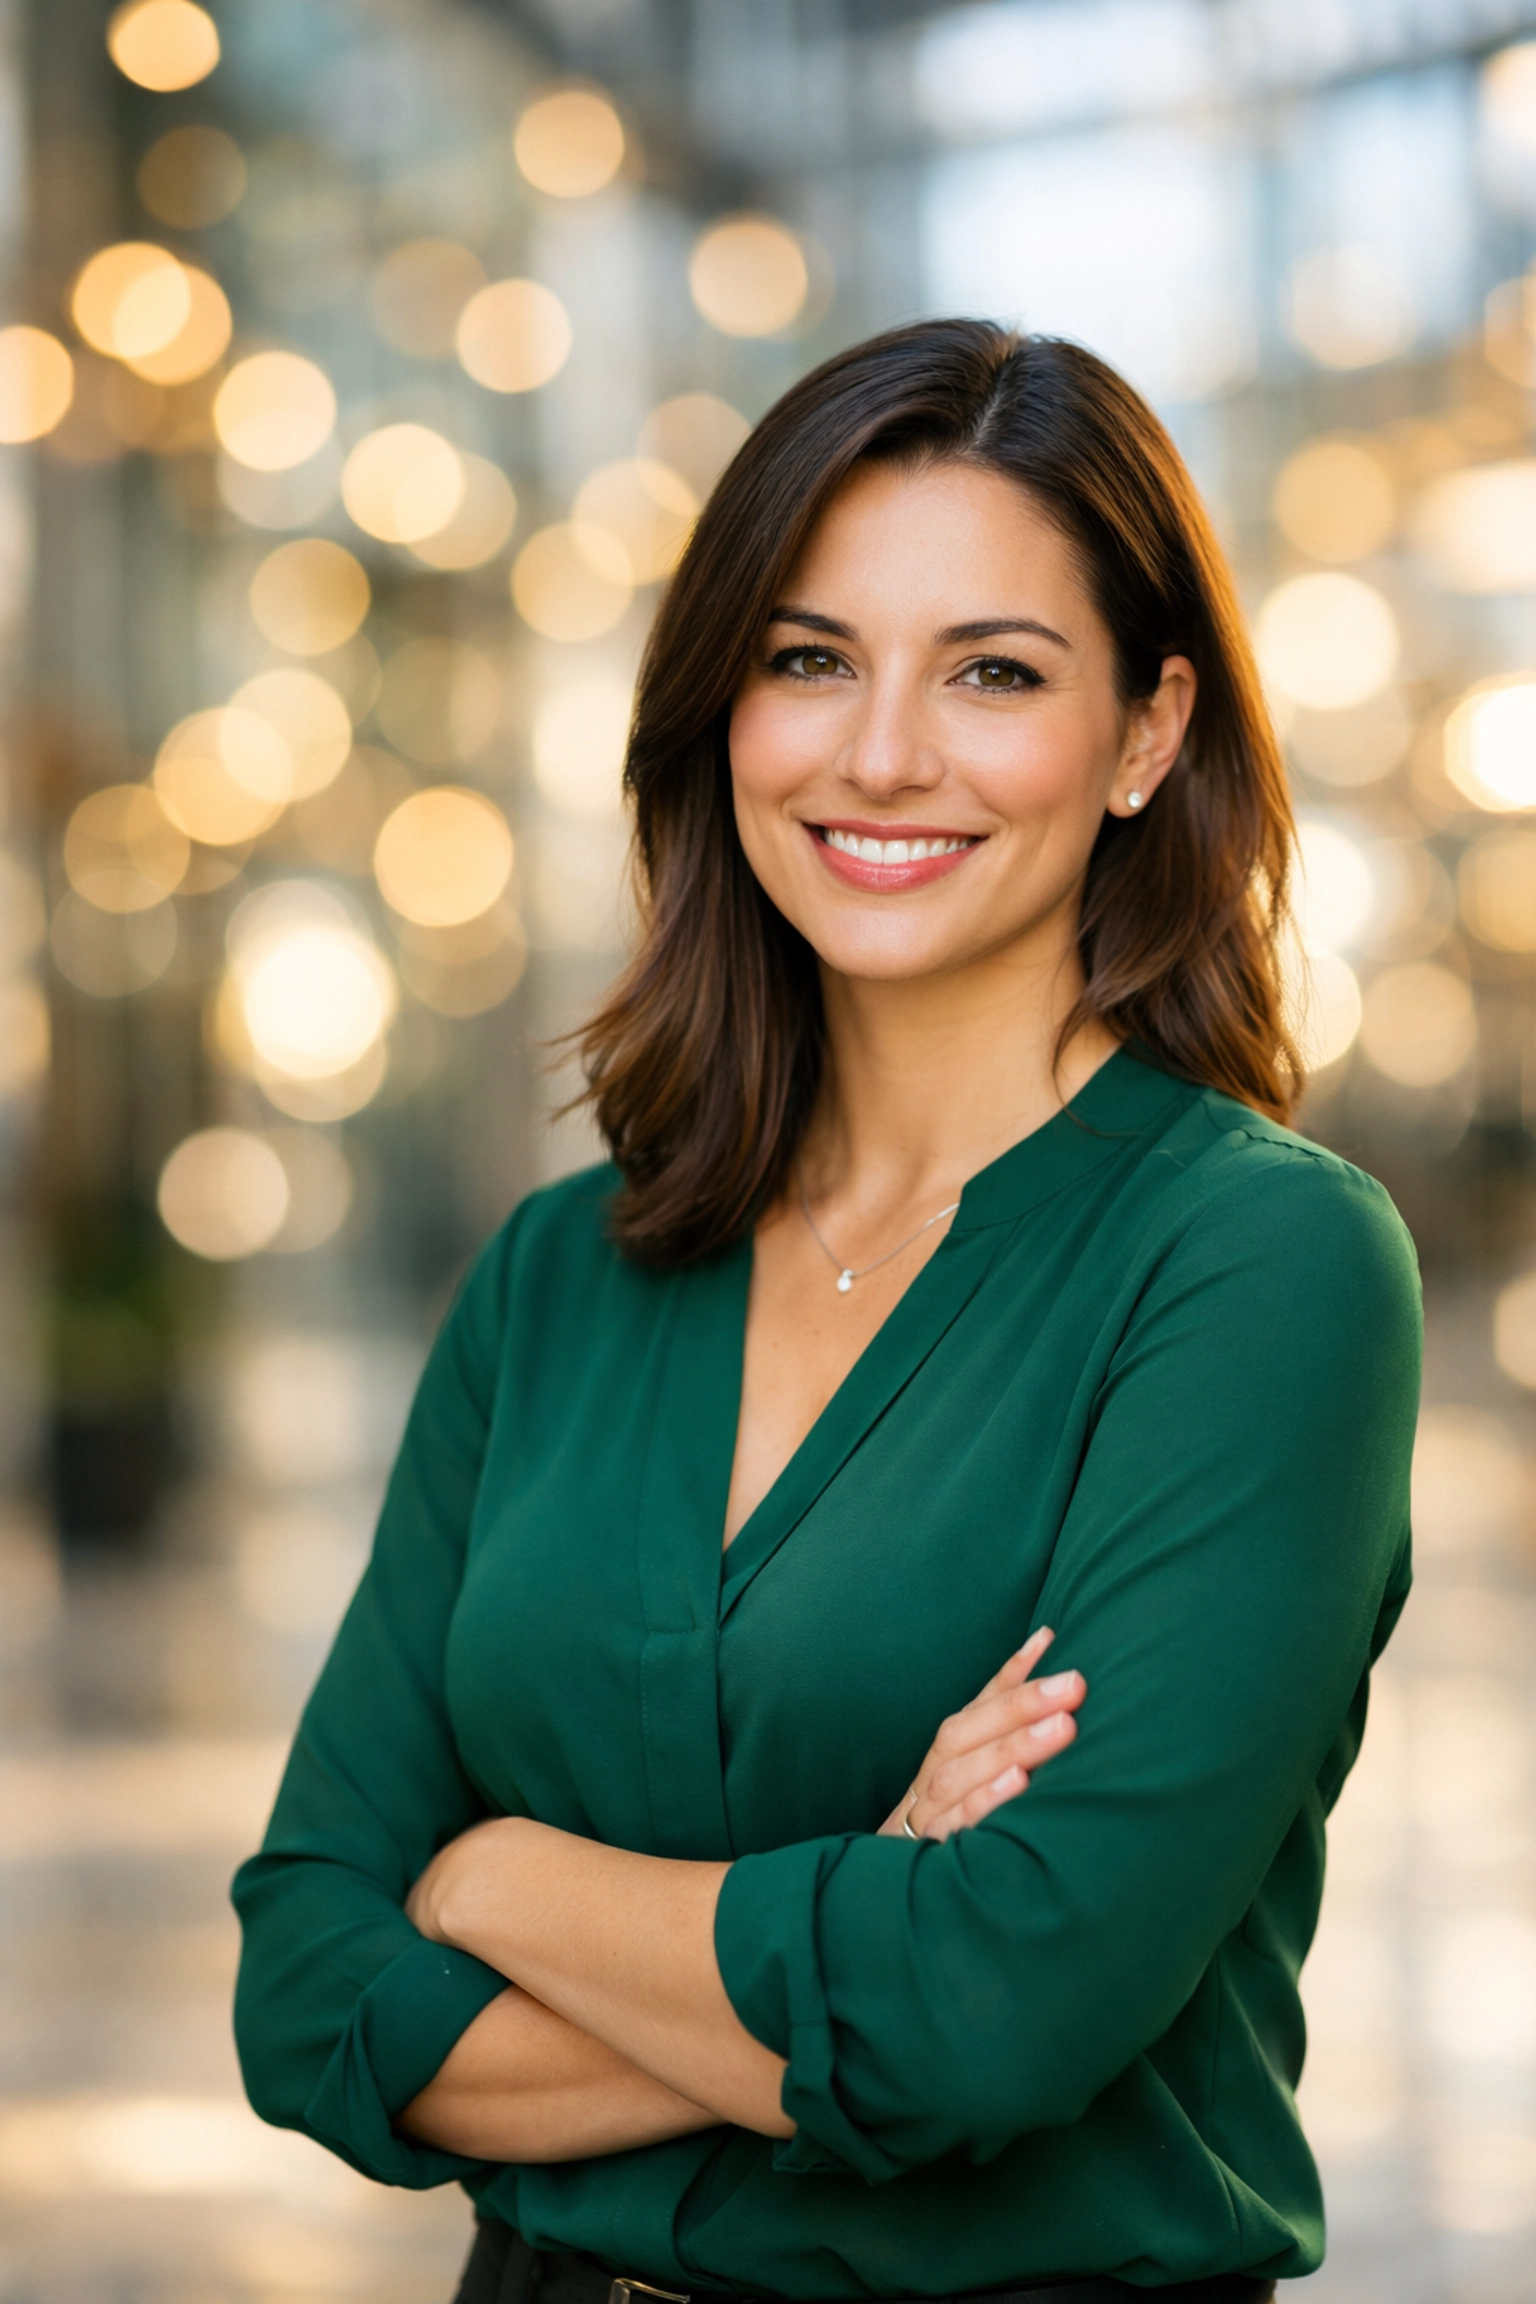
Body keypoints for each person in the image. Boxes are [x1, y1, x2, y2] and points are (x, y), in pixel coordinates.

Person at [232, 320, 1421, 2304]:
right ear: (724, 711)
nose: (882, 753)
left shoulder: (1260, 1271)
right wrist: (854, 1913)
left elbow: (995, 2017)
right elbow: (305, 1996)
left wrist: (491, 1881)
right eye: (810, 660)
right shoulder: (559, 1274)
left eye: (996, 674)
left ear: (1144, 736)